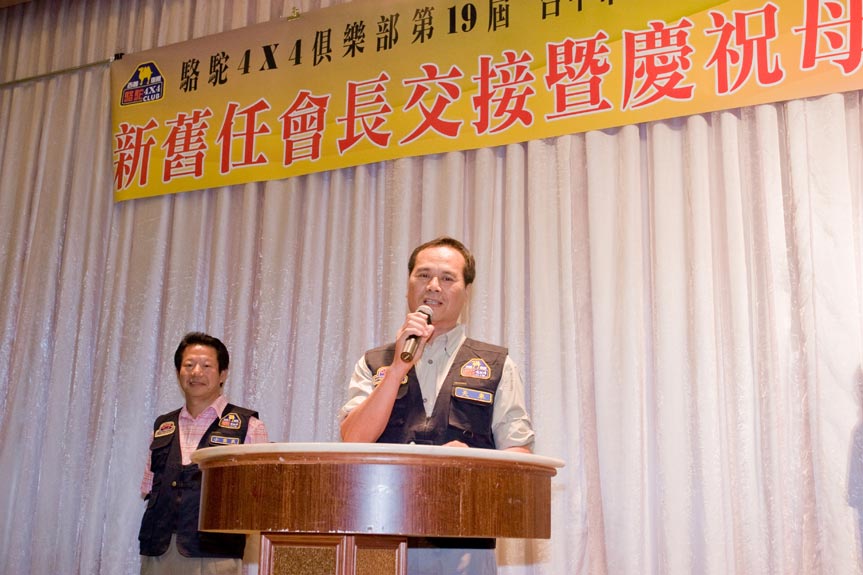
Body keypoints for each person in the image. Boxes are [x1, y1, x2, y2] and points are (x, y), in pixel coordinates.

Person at [339, 236, 535, 575]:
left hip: (464, 541)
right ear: (408, 285)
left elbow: (519, 454)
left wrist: (474, 460)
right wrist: (398, 368)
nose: (433, 286)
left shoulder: (496, 364)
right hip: (383, 536)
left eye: (447, 278)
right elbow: (353, 440)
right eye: (423, 275)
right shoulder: (374, 362)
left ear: (466, 291)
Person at [138, 331, 269, 575]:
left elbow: (260, 495)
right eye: (189, 365)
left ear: (223, 374)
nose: (196, 372)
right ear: (178, 372)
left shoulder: (249, 426)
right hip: (158, 551)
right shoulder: (163, 426)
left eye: (206, 365)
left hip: (215, 554)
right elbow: (148, 489)